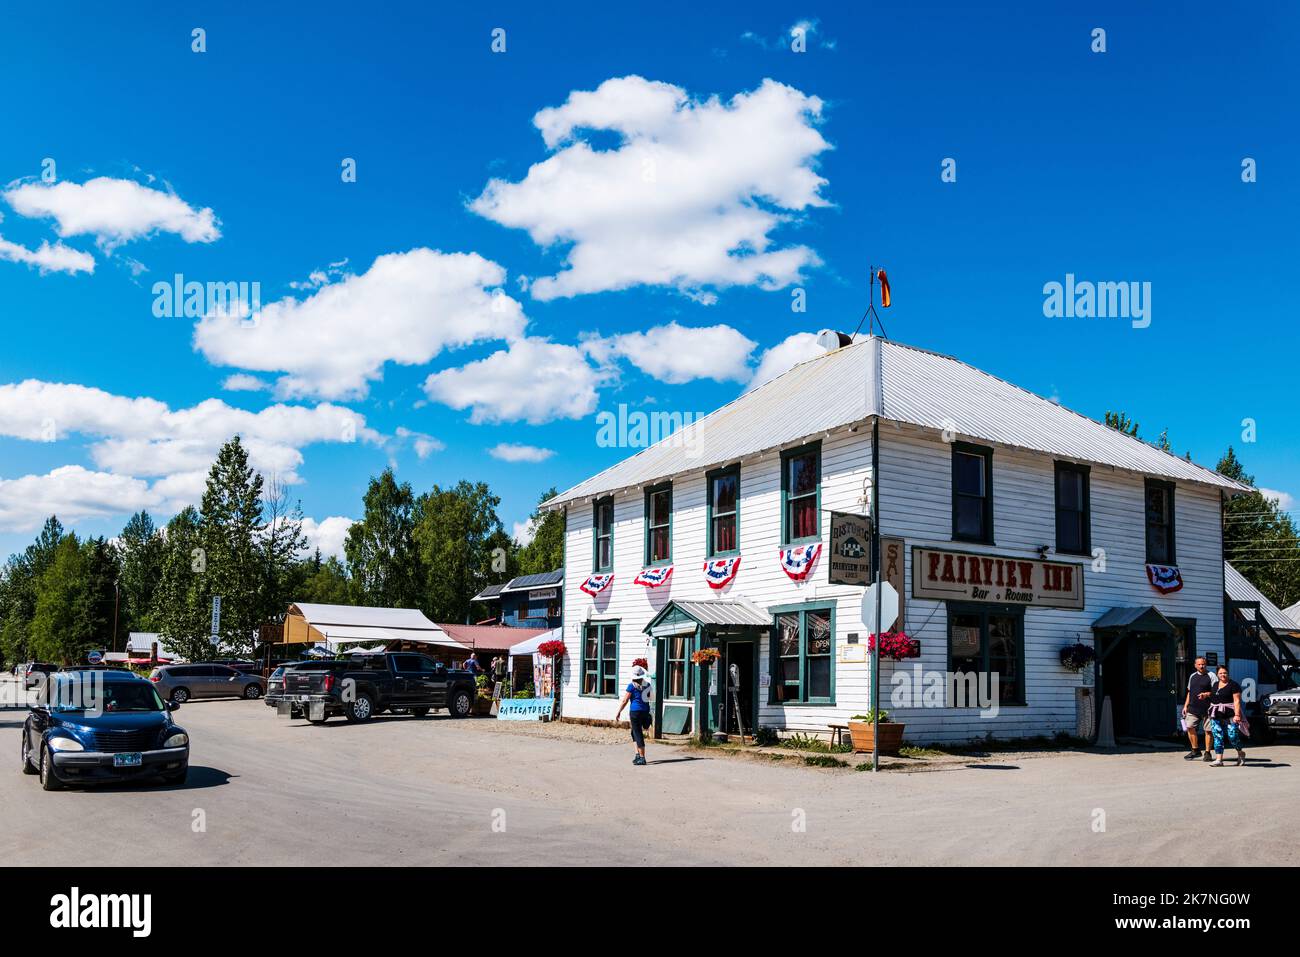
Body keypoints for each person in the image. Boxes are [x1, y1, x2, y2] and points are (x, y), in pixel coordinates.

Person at [1206, 664, 1246, 767]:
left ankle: (1240, 753)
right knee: (1217, 736)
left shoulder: (1234, 685)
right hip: (1216, 715)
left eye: (1225, 673)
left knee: (1232, 736)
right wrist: (1205, 695)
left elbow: (1236, 701)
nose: (1223, 675)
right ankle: (1219, 760)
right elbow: (1214, 696)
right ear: (1217, 674)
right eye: (1220, 673)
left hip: (1230, 715)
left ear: (1228, 673)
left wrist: (1237, 715)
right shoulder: (1215, 684)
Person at [615, 665, 653, 766]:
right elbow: (649, 698)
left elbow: (625, 700)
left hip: (635, 712)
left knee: (638, 733)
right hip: (644, 711)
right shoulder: (647, 685)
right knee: (634, 733)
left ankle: (642, 757)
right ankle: (637, 754)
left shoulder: (631, 686)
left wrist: (619, 711)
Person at [1182, 656, 1216, 762]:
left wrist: (1206, 694)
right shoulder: (1192, 676)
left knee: (1208, 731)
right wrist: (1185, 706)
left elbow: (1216, 691)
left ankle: (1207, 753)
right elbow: (1189, 692)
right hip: (1193, 707)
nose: (1202, 666)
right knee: (1189, 727)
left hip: (1208, 708)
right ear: (1195, 665)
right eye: (1199, 664)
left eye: (1203, 664)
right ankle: (1195, 750)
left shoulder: (1211, 675)